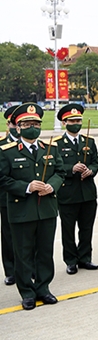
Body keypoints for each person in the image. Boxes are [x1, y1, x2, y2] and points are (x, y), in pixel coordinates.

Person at [0, 103, 65, 310]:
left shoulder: (50, 149)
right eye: (27, 124)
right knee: (24, 253)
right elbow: (2, 179)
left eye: (36, 123)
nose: (32, 127)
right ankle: (27, 291)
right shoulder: (6, 152)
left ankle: (43, 288)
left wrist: (51, 186)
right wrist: (26, 187)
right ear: (17, 128)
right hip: (21, 210)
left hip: (46, 208)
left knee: (45, 252)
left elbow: (60, 172)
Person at [53, 103, 98, 274]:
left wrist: (92, 170)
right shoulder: (57, 144)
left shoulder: (89, 141)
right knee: (68, 229)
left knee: (86, 228)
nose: (76, 123)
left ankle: (85, 257)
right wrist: (71, 169)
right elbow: (54, 168)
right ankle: (71, 260)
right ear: (64, 122)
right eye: (72, 120)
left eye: (78, 120)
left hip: (88, 192)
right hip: (68, 193)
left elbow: (96, 162)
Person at [1, 105, 19, 285]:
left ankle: (31, 268)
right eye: (15, 123)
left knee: (33, 236)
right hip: (7, 197)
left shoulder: (32, 143)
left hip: (31, 196)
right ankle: (11, 270)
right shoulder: (1, 145)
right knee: (8, 235)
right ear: (9, 124)